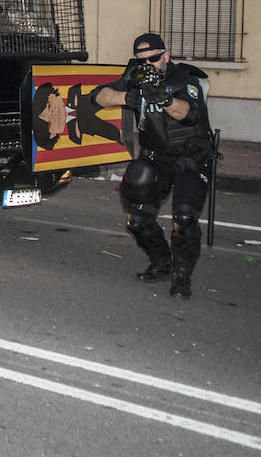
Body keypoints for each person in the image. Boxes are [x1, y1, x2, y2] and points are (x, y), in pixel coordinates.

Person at [91, 32, 215, 299]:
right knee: (136, 219)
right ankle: (162, 262)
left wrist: (165, 99)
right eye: (142, 59)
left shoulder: (184, 77)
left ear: (166, 56)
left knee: (184, 217)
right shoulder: (135, 75)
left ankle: (182, 276)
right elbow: (97, 96)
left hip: (190, 155)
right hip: (156, 155)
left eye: (154, 58)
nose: (148, 64)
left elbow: (190, 113)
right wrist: (127, 98)